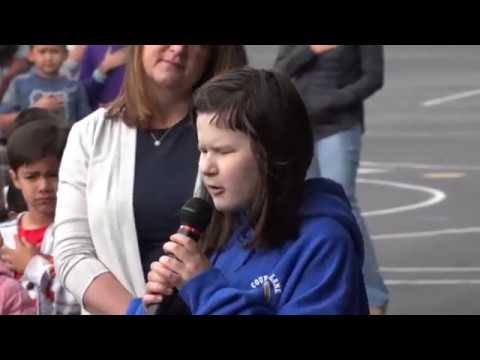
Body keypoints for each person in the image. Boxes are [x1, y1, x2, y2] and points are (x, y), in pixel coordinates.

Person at [127, 67, 369, 315]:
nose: (206, 167)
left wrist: (204, 289)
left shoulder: (324, 243)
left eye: (223, 151)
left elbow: (208, 295)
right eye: (203, 150)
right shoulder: (218, 228)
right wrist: (156, 307)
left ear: (273, 154)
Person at [53, 45, 248, 315]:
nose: (178, 48)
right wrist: (135, 312)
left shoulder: (234, 135)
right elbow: (72, 252)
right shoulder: (89, 134)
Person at [274, 45, 389, 315]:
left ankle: (373, 294)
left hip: (339, 125)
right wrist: (311, 50)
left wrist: (334, 100)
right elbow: (280, 70)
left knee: (344, 202)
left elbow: (373, 78)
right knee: (307, 204)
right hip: (299, 124)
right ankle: (316, 286)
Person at [0, 119, 80, 315]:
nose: (43, 186)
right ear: (15, 179)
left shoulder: (80, 234)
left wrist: (32, 266)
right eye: (31, 177)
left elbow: (81, 297)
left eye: (53, 174)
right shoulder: (4, 235)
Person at [0, 45, 91, 130]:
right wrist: (33, 111)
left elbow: (86, 123)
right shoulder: (19, 83)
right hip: (29, 145)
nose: (48, 58)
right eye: (42, 52)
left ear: (65, 55)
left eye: (54, 52)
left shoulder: (74, 86)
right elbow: (2, 120)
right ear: (31, 55)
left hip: (67, 145)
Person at [79, 45, 128, 110]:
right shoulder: (93, 48)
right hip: (102, 113)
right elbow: (83, 94)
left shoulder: (141, 49)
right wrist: (104, 67)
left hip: (136, 113)